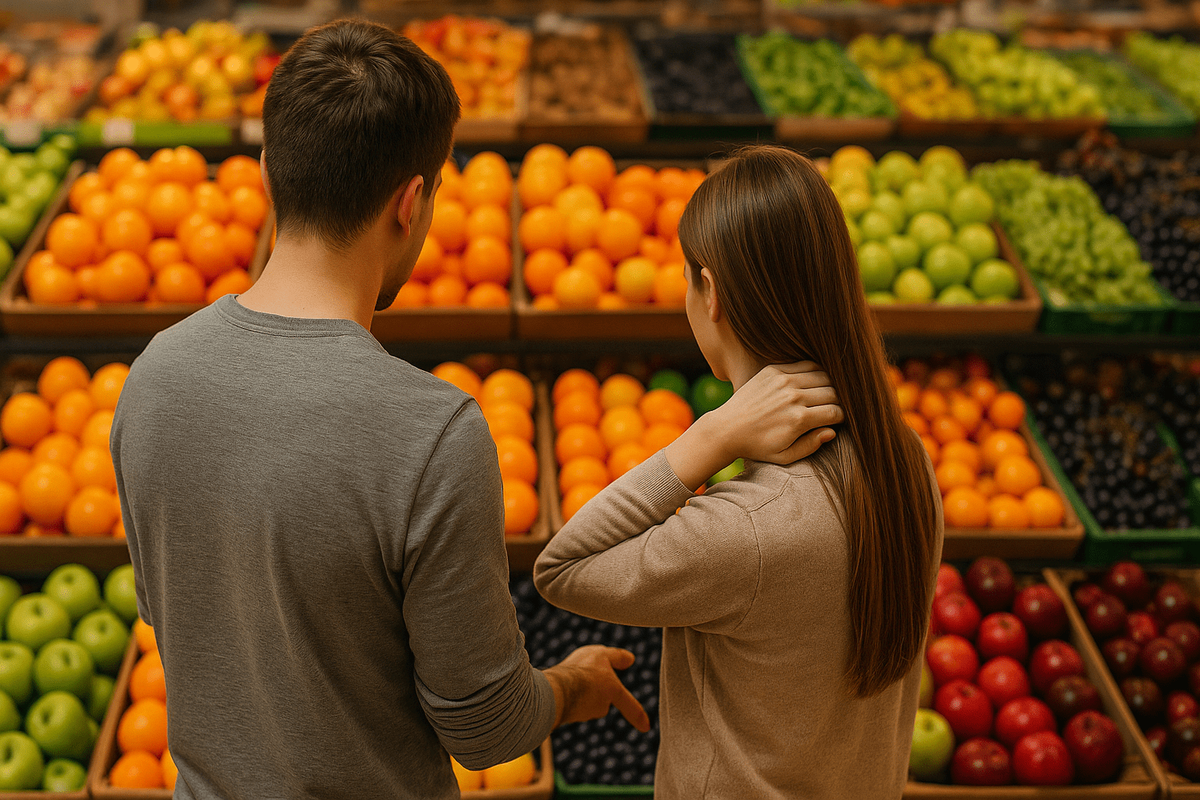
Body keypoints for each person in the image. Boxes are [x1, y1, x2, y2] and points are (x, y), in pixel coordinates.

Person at [111, 19, 646, 800]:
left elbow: (177, 615)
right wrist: (571, 684)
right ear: (412, 202)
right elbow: (485, 726)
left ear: (267, 174)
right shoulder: (433, 435)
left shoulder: (153, 376)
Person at [534, 145, 944, 799]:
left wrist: (711, 435)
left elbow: (561, 569)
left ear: (711, 293)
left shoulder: (745, 530)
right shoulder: (907, 463)